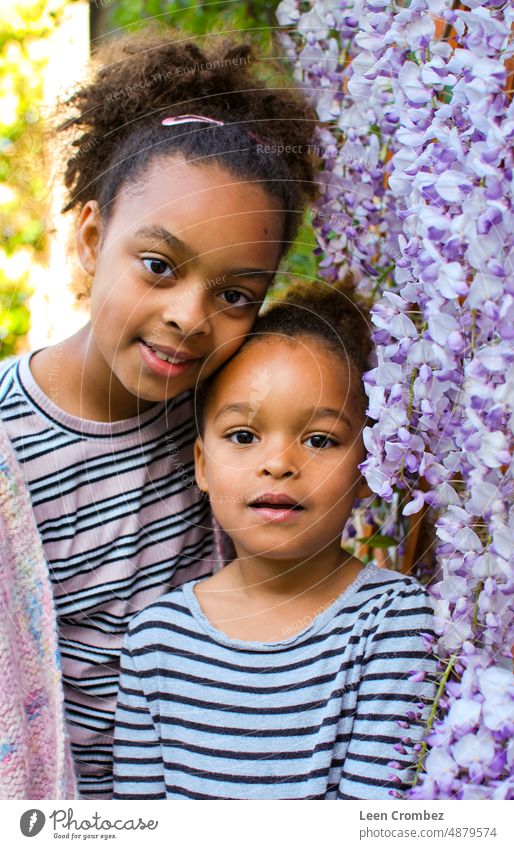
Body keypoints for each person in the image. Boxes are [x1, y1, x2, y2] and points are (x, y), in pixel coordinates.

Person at [0, 27, 320, 798]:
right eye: (158, 265)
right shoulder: (10, 445)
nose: (189, 314)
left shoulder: (231, 430)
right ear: (88, 236)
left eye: (235, 294)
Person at [112, 281, 437, 800]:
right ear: (201, 464)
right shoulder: (154, 639)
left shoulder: (396, 622)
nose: (280, 463)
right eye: (243, 435)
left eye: (319, 439)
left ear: (366, 468)